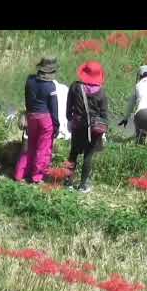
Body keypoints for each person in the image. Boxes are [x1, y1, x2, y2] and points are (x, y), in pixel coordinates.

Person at [65, 61, 108, 193]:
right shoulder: (101, 92)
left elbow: (68, 107)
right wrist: (104, 131)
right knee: (88, 155)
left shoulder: (75, 87)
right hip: (93, 129)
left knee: (73, 153)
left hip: (77, 125)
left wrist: (69, 119)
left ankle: (68, 182)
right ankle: (83, 185)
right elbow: (104, 115)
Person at [14, 57, 59, 183]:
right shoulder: (51, 86)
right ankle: (36, 177)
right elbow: (54, 109)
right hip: (45, 119)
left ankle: (20, 174)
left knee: (30, 146)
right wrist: (56, 125)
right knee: (43, 148)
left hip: (31, 116)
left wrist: (28, 114)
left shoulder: (30, 80)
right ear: (51, 72)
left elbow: (27, 99)